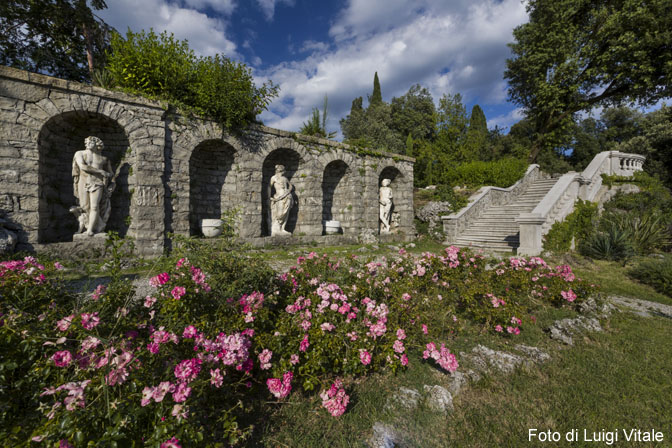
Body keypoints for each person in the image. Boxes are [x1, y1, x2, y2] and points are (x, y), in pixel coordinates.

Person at [71, 136, 113, 236]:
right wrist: (101, 171)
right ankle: (99, 225)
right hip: (83, 181)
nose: (88, 143)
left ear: (97, 143)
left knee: (94, 206)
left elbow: (111, 174)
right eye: (87, 141)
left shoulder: (103, 159)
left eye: (91, 141)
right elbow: (82, 166)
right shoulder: (79, 153)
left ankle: (90, 230)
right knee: (85, 206)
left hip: (97, 183)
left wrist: (111, 183)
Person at [269, 165, 295, 236]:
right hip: (279, 197)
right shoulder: (274, 178)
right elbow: (269, 187)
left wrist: (288, 191)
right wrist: (271, 197)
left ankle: (282, 228)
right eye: (283, 170)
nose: (284, 172)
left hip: (287, 196)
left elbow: (290, 186)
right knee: (280, 213)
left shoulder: (285, 178)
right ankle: (276, 229)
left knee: (286, 213)